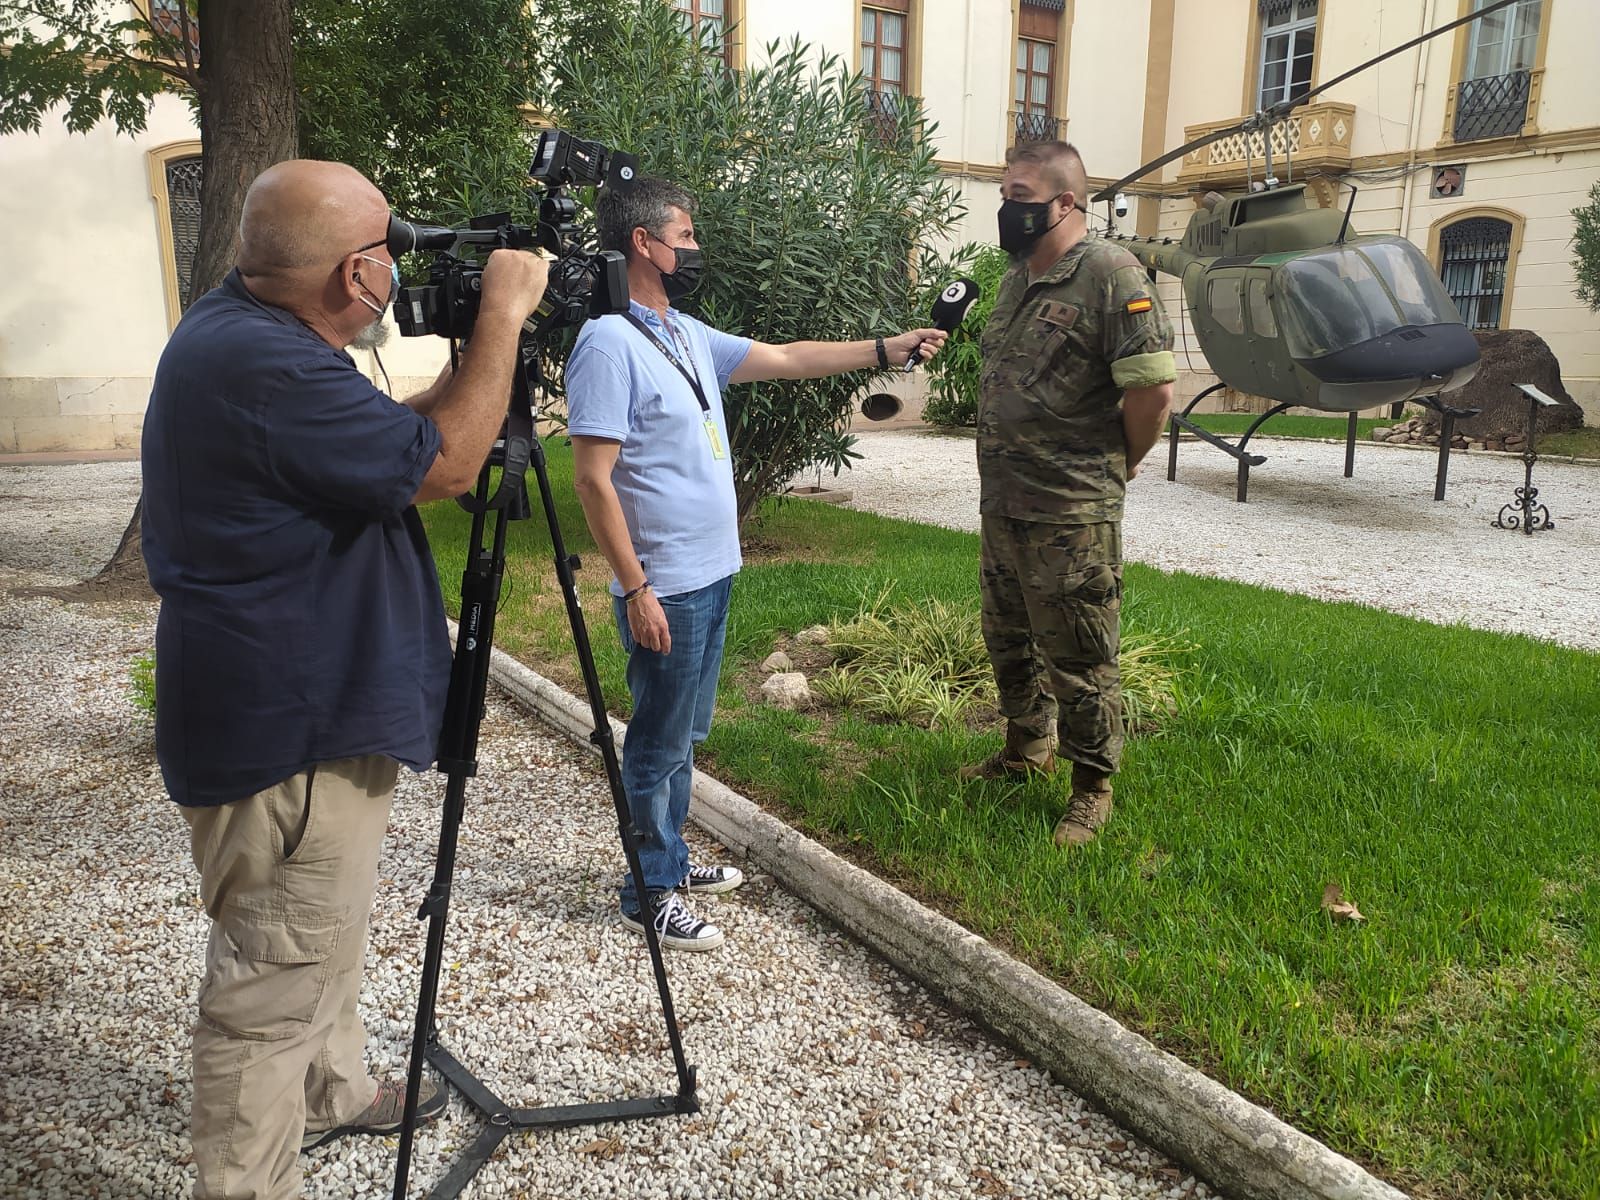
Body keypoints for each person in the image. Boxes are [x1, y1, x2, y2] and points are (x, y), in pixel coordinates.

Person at [140, 159, 549, 1200]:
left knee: (314, 937)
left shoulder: (240, 334)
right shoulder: (272, 367)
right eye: (388, 249)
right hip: (297, 732)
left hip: (278, 709)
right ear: (349, 276)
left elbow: (391, 444)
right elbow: (445, 469)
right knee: (269, 986)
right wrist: (500, 319)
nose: (399, 263)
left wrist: (465, 363)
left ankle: (336, 1091)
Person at [564, 176, 946, 952]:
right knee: (658, 741)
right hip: (664, 582)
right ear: (645, 243)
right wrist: (635, 587)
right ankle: (652, 888)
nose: (695, 249)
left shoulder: (684, 332)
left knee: (685, 734)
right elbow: (591, 479)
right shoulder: (607, 342)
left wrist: (886, 348)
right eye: (687, 235)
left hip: (712, 570)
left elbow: (785, 357)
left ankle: (668, 856)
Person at [958, 140, 1175, 849]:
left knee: (1080, 655)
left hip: (1073, 507)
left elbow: (1151, 390)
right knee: (1009, 639)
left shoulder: (1112, 274)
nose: (1006, 209)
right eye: (1004, 194)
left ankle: (1092, 789)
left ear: (1064, 203)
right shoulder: (1019, 278)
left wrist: (1124, 462)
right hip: (1007, 502)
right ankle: (1026, 750)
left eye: (1019, 196)